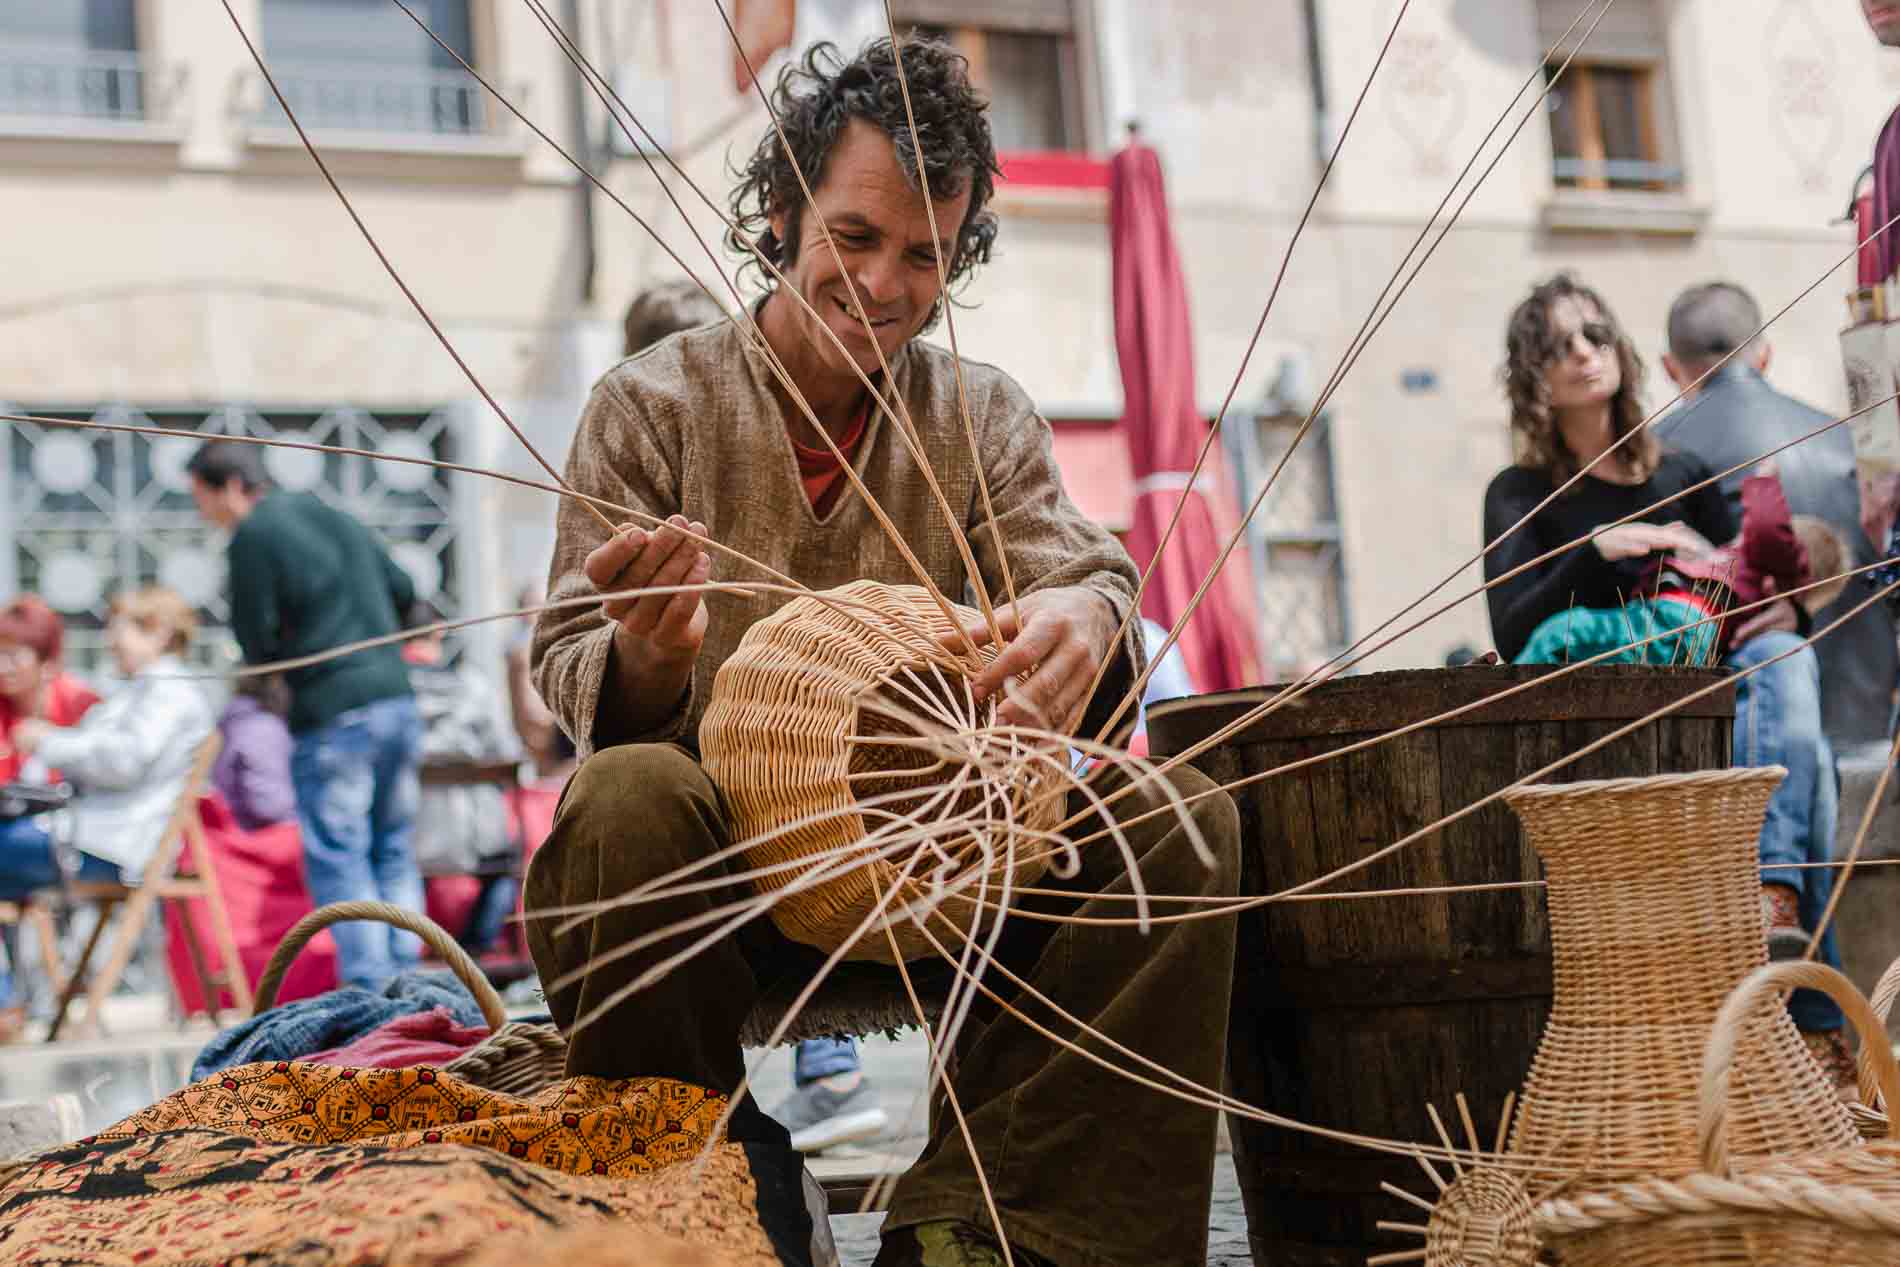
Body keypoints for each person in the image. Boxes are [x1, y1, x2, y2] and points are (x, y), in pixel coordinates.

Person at [528, 38, 1239, 1267]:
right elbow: (569, 657)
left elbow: (1080, 571)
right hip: (728, 880)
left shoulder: (981, 412)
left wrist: (1085, 618)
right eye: (852, 236)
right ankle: (718, 1194)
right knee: (626, 796)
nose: (882, 282)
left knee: (1180, 823)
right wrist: (651, 658)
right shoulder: (653, 405)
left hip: (939, 866)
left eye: (924, 254)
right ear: (781, 214)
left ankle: (987, 1224)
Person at [1483, 274, 1854, 1090]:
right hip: (1605, 726)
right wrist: (1599, 553)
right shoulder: (1520, 493)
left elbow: (1754, 584)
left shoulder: (1681, 469)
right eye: (1557, 345)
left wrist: (1785, 609)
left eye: (1593, 334)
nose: (1583, 354)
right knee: (1817, 772)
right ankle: (1814, 1017)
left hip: (1712, 708)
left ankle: (1777, 908)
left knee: (1787, 660)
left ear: (1621, 348)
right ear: (1533, 374)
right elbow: (1511, 633)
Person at [624, 274, 894, 1152]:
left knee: (810, 834)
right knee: (643, 800)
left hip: (808, 786)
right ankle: (736, 1119)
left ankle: (792, 1090)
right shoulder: (644, 448)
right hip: (726, 786)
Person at [186, 440, 425, 990]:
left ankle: (371, 990)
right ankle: (410, 984)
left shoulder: (254, 533)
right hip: (397, 700)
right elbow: (405, 591)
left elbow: (255, 639)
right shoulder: (334, 515)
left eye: (201, 499)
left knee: (341, 856)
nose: (204, 514)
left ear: (229, 487)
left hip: (334, 713)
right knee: (392, 847)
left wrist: (280, 667)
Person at [1657, 281, 1897, 755]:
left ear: (1670, 368)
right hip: (1868, 732)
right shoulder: (1849, 439)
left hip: (1751, 746)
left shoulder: (1662, 452)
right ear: (1765, 355)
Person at [0, 588, 213, 1024]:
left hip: (109, 846)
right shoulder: (144, 690)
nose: (110, 644)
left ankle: (5, 1001)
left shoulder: (168, 693)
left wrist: (49, 742)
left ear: (159, 633)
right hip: (94, 836)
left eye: (120, 632)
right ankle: (7, 1001)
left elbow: (124, 761)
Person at [1513, 466, 1851, 669]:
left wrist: (1764, 482)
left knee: (1563, 632)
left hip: (1677, 622)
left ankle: (1502, 703)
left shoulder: (1778, 563)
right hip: (1680, 631)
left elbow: (1766, 525)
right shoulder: (1744, 580)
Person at [403, 604, 520, 952]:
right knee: (511, 861)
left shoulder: (388, 695)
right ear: (439, 631)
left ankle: (407, 948)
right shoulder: (474, 687)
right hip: (475, 836)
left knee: (390, 864)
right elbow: (506, 750)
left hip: (408, 835)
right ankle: (475, 947)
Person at [0, 597, 99, 785]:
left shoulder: (83, 707)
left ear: (47, 661)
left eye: (12, 656)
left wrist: (52, 741)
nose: (2, 667)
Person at [211, 673, 295, 832]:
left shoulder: (231, 720)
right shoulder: (261, 726)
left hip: (229, 825)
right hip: (256, 834)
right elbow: (268, 804)